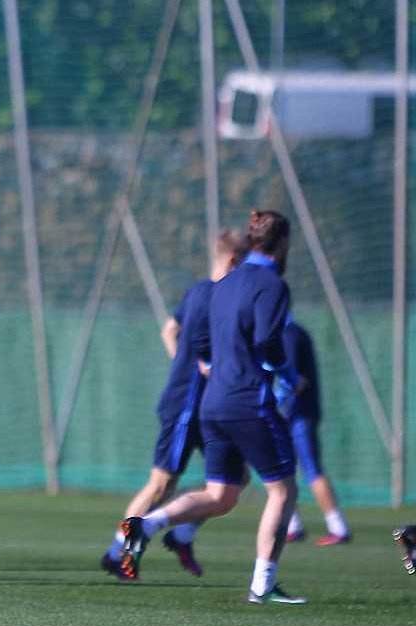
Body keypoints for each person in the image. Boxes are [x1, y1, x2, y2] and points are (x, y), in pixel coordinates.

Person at [120, 210, 306, 605]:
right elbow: (268, 341)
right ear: (283, 243)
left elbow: (199, 339)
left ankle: (146, 525)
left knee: (222, 494)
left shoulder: (222, 284)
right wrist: (289, 376)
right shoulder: (272, 284)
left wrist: (211, 363)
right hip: (248, 399)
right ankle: (263, 585)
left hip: (213, 402)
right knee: (283, 491)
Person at [100, 230, 245, 580]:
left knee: (234, 479)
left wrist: (182, 362)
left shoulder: (198, 290)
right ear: (233, 261)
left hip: (209, 406)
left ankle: (181, 536)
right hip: (187, 406)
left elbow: (169, 330)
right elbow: (196, 345)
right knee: (161, 485)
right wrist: (193, 370)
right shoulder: (215, 297)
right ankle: (118, 552)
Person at [276, 318, 351, 546]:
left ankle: (338, 527)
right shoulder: (284, 332)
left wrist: (274, 400)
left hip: (299, 414)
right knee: (281, 470)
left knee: (311, 468)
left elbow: (294, 380)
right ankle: (292, 526)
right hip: (289, 413)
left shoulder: (290, 334)